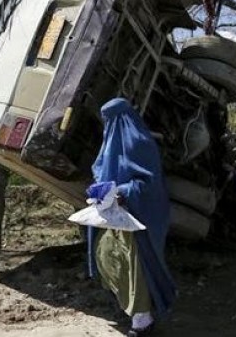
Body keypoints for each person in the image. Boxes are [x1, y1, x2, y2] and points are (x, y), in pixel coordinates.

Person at [86, 98, 175, 337]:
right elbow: (101, 170)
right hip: (114, 216)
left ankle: (142, 320)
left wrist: (121, 192)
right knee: (107, 256)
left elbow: (149, 185)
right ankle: (133, 308)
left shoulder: (140, 142)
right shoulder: (110, 143)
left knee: (136, 266)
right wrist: (98, 192)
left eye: (110, 120)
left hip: (140, 216)